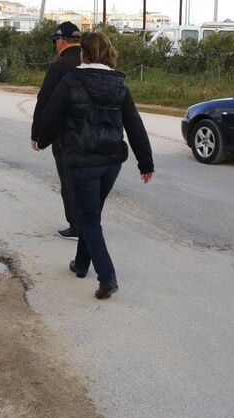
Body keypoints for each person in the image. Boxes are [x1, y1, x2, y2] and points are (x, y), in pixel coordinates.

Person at [35, 31, 154, 300]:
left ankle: (107, 277)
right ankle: (81, 265)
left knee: (88, 218)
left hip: (81, 159)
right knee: (92, 214)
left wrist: (42, 140)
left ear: (83, 53)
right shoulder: (119, 84)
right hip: (111, 162)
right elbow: (134, 124)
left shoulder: (71, 81)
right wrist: (145, 162)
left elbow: (52, 115)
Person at [31, 21, 83, 240]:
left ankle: (76, 227)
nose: (55, 45)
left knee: (69, 182)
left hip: (65, 135)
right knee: (85, 181)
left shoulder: (59, 67)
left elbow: (44, 100)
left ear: (61, 41)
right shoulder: (91, 62)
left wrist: (37, 134)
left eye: (56, 42)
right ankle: (89, 222)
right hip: (92, 133)